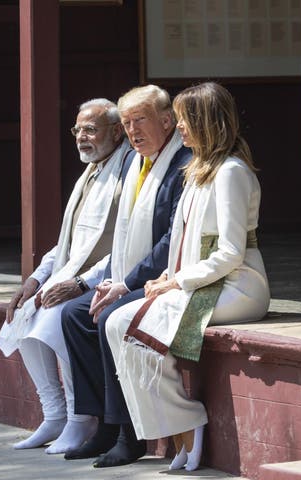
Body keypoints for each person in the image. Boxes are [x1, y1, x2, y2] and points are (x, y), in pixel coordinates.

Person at [105, 82, 270, 471]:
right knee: (116, 324)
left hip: (236, 287)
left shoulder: (231, 172)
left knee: (136, 329)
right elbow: (183, 242)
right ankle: (174, 426)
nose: (179, 128)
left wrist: (176, 282)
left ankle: (187, 421)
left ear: (206, 122)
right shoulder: (198, 172)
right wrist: (167, 275)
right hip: (199, 282)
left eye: (183, 120)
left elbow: (230, 252)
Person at [61, 84, 192, 468]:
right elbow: (122, 232)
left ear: (167, 122)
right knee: (74, 315)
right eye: (128, 122)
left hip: (166, 278)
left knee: (107, 320)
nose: (132, 131)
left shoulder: (181, 164)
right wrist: (110, 280)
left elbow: (172, 242)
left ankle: (128, 433)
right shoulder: (137, 161)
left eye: (141, 120)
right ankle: (102, 423)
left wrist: (126, 283)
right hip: (128, 276)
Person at [0, 98, 134, 454]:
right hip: (74, 275)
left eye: (91, 129)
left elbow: (126, 246)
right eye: (77, 130)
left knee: (57, 316)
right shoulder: (90, 172)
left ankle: (79, 417)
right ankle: (54, 414)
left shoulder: (129, 170)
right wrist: (36, 279)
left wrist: (79, 284)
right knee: (24, 315)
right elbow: (67, 245)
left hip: (108, 277)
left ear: (116, 132)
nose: (81, 137)